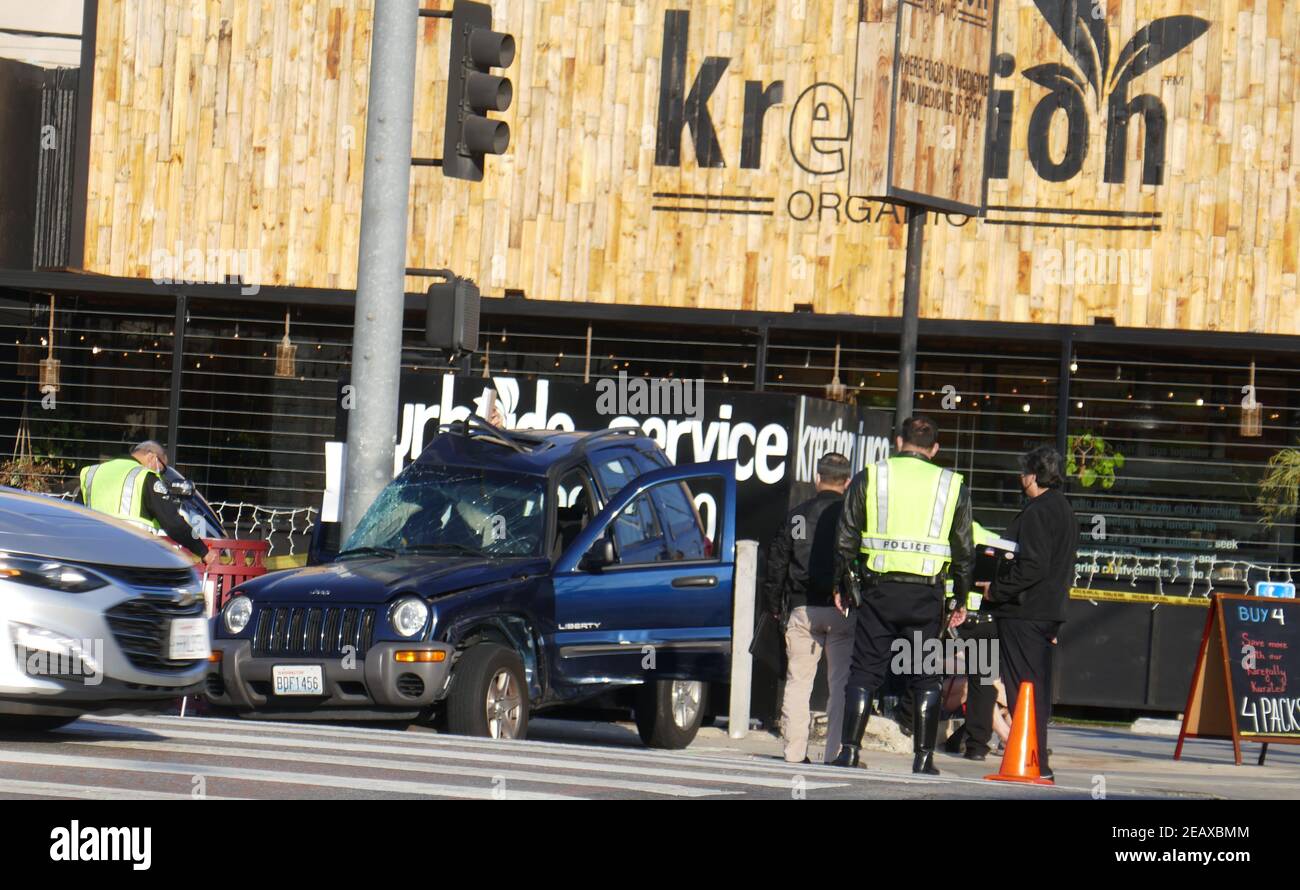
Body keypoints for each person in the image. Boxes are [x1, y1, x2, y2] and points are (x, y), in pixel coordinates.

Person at [830, 416, 975, 774]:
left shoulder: (871, 476)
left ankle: (848, 752)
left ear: (897, 442)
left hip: (878, 591)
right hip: (926, 596)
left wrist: (843, 586)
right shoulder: (951, 484)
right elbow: (965, 549)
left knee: (863, 672)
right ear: (935, 449)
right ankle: (923, 760)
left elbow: (845, 536)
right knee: (925, 676)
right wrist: (960, 599)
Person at [984, 445, 1078, 781]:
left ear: (1034, 476)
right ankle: (1037, 760)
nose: (1019, 478)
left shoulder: (1038, 511)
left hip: (1025, 612)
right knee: (1032, 688)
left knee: (1022, 688)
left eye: (1023, 471)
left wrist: (996, 589)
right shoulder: (1064, 510)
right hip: (1046, 611)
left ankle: (1032, 760)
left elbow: (1033, 565)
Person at [763, 452, 853, 764]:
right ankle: (836, 753)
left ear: (817, 479)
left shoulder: (798, 515)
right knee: (840, 685)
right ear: (848, 482)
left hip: (802, 608)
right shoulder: (850, 517)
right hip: (841, 610)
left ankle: (794, 751)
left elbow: (777, 563)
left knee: (798, 682)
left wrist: (775, 606)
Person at [78, 440, 212, 561]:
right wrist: (202, 550)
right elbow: (173, 522)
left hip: (93, 555)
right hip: (130, 555)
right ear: (151, 457)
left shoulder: (92, 473)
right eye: (163, 467)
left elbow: (74, 514)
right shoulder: (144, 476)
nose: (161, 473)